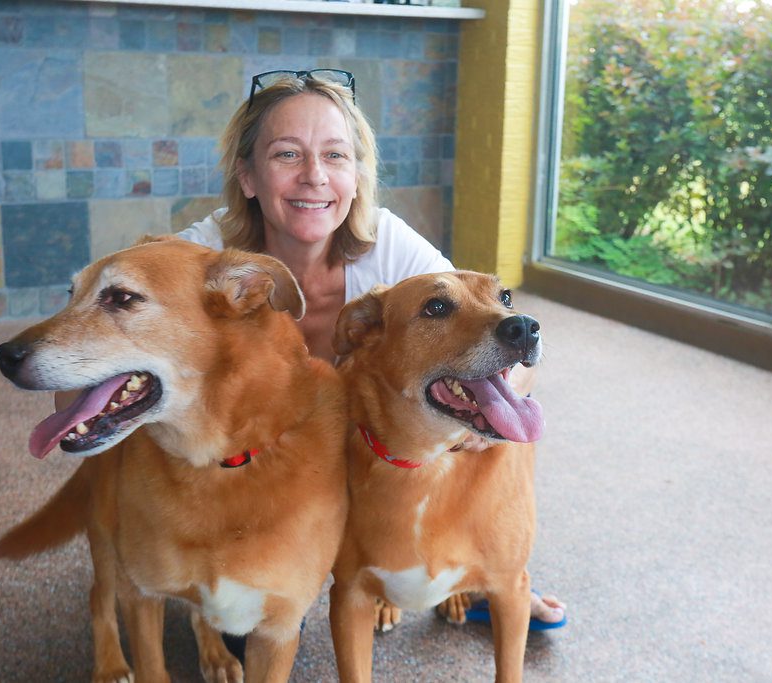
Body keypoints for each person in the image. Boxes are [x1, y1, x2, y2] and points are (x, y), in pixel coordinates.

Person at [178, 69, 567, 631]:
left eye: (336, 156)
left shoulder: (389, 246)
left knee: (431, 428)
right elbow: (121, 315)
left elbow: (488, 337)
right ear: (247, 175)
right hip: (252, 461)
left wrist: (486, 414)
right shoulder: (207, 254)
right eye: (288, 154)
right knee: (241, 627)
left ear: (357, 176)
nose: (315, 176)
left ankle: (481, 568)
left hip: (360, 448)